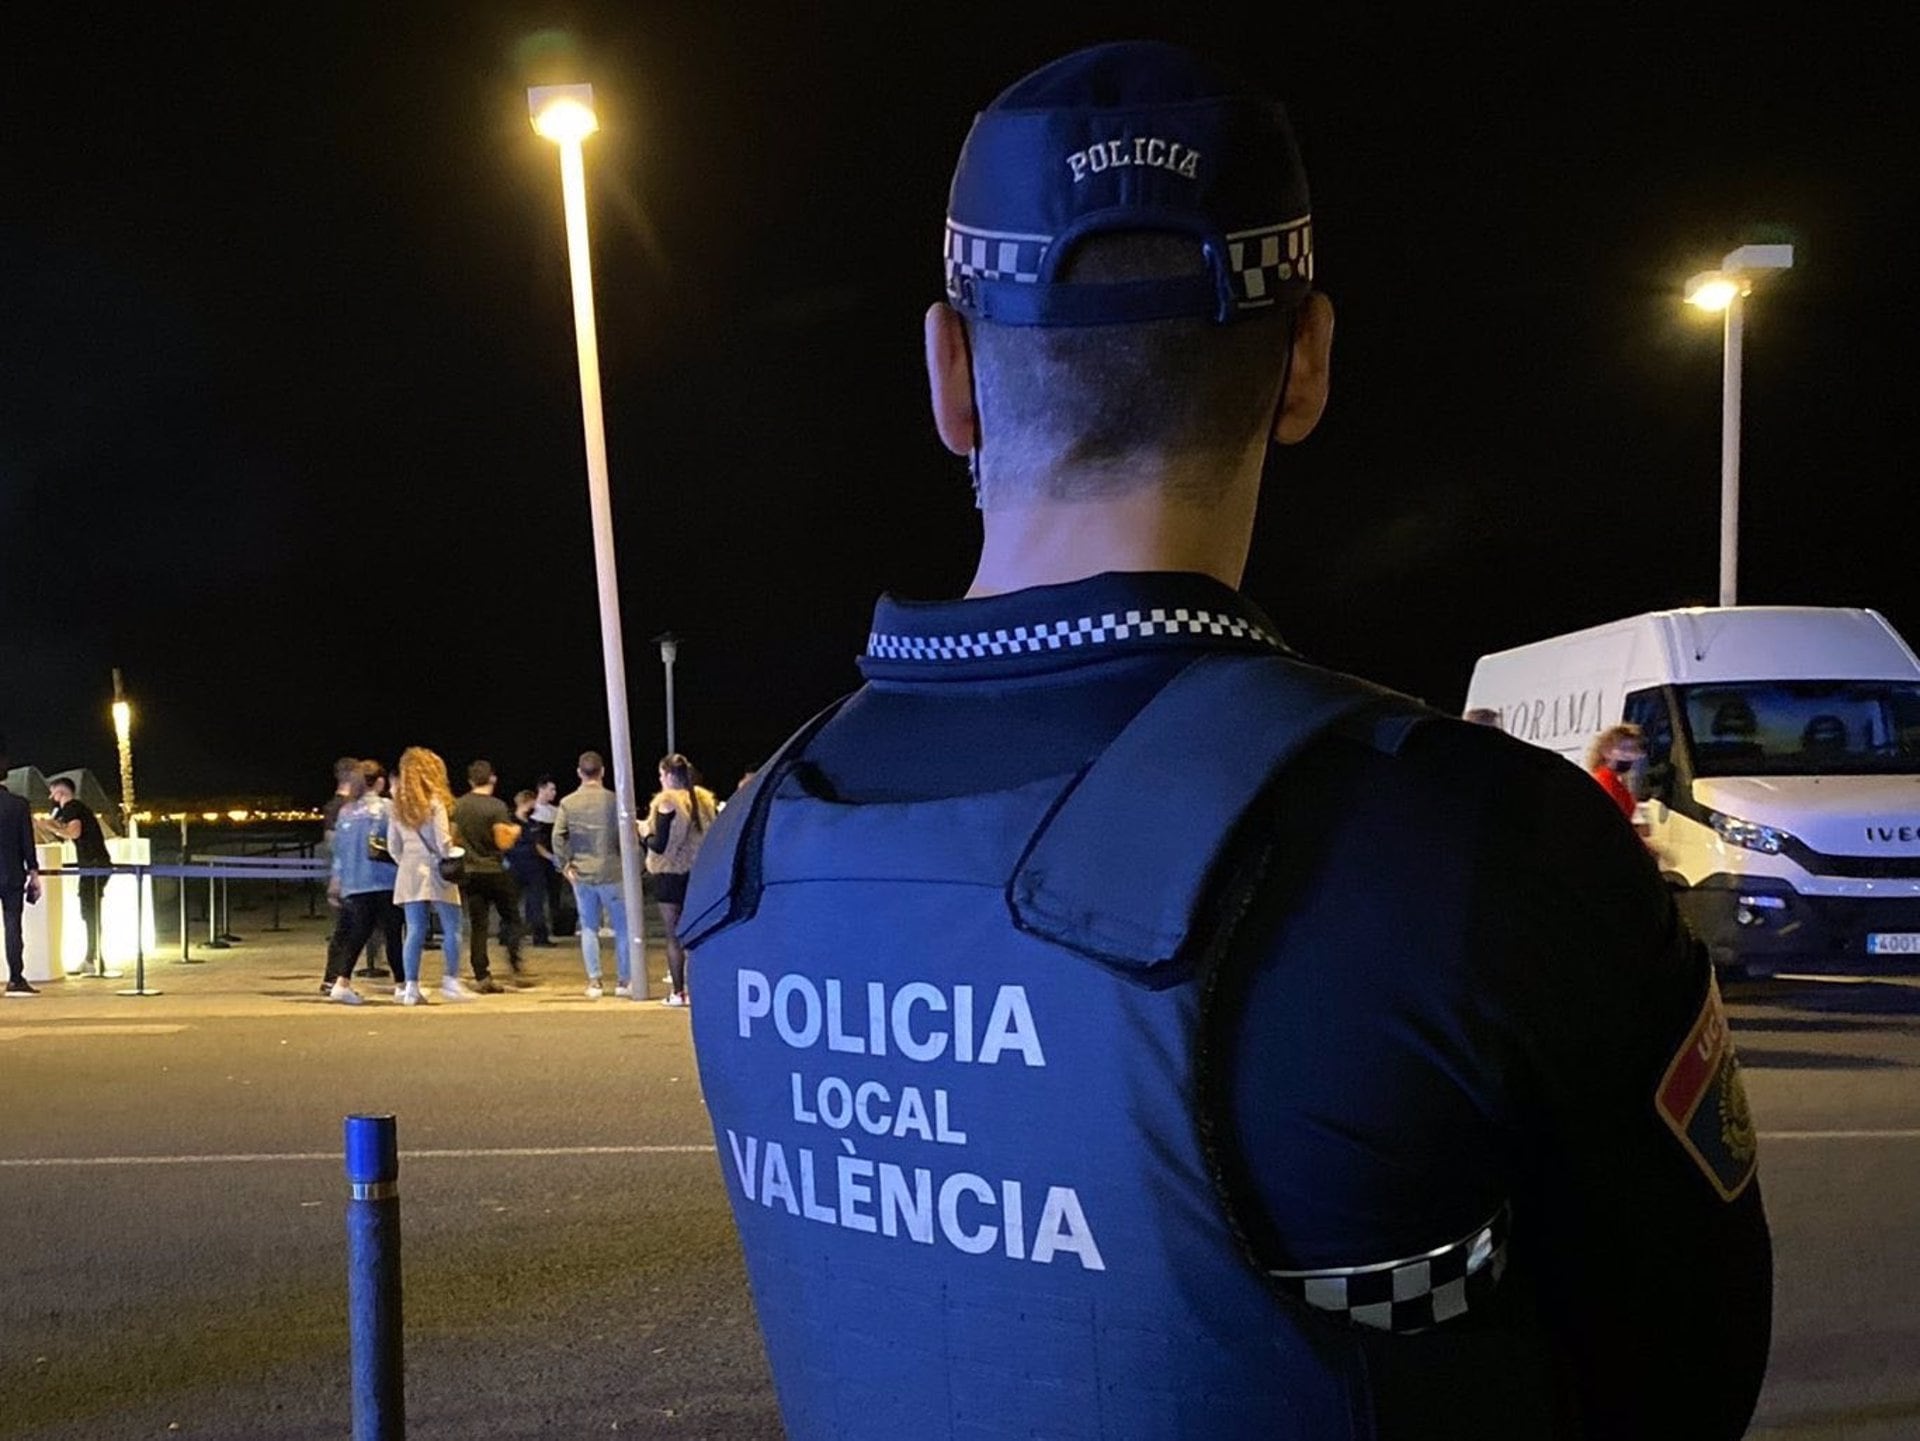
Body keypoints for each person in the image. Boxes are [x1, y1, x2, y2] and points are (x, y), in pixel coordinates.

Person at [682, 43, 1770, 1441]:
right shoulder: (1473, 846)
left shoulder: (754, 851)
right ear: (1305, 362)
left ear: (951, 375)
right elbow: (1683, 1370)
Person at [386, 746, 474, 1005]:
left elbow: (392, 846)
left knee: (413, 930)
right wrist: (453, 852)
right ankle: (451, 981)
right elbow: (443, 842)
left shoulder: (396, 806)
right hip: (437, 870)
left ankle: (411, 988)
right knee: (452, 927)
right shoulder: (435, 802)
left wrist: (408, 862)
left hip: (409, 871)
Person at [321, 760, 404, 1005]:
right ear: (379, 782)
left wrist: (337, 880)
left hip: (355, 882)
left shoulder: (347, 811)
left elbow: (339, 850)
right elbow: (398, 843)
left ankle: (341, 982)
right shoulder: (388, 809)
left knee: (358, 933)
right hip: (385, 878)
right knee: (393, 934)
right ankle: (402, 985)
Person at [551, 750, 628, 999]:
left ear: (579, 773)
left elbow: (557, 835)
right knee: (623, 928)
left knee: (589, 927)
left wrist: (564, 864)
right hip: (613, 871)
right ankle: (624, 981)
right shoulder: (615, 800)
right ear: (603, 771)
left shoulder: (567, 802)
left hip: (582, 873)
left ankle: (595, 982)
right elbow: (627, 835)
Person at [643, 753, 718, 1007]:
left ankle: (678, 992)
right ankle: (705, 986)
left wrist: (643, 833)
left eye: (661, 774)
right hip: (696, 873)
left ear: (667, 775)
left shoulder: (667, 802)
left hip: (669, 875)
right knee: (697, 932)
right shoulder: (703, 800)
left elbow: (660, 844)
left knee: (674, 936)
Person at [451, 759, 526, 992]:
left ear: (471, 780)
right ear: (492, 778)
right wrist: (515, 830)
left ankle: (481, 974)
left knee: (478, 925)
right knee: (512, 919)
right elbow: (502, 842)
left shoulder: (459, 805)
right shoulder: (496, 806)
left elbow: (453, 837)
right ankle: (514, 963)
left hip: (470, 871)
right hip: (494, 870)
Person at [47, 776, 111, 976]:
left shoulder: (72, 807)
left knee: (90, 912)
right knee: (90, 912)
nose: (51, 797)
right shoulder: (78, 808)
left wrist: (49, 826)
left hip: (93, 866)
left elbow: (74, 832)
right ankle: (92, 957)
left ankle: (92, 959)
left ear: (61, 792)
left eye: (53, 792)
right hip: (95, 865)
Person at [1, 742, 44, 996]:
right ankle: (16, 978)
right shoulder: (18, 805)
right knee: (12, 926)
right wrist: (34, 873)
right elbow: (27, 843)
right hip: (11, 875)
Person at [518, 775, 559, 946]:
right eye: (551, 789)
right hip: (536, 859)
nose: (554, 793)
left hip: (550, 857)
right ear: (541, 789)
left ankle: (553, 926)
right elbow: (534, 840)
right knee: (535, 896)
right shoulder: (531, 812)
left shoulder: (555, 812)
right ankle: (536, 930)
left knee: (553, 894)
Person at [1587, 722, 1646, 822]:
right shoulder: (1605, 782)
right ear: (1606, 752)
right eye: (1625, 749)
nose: (1630, 755)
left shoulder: (1616, 780)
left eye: (1634, 749)